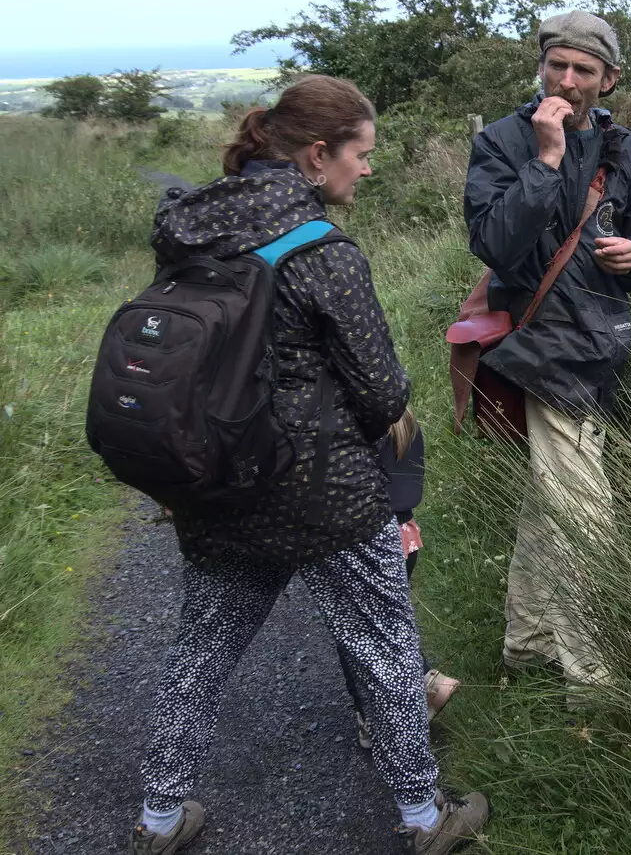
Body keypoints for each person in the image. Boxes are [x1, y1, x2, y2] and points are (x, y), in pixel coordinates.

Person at [130, 74, 487, 855]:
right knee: (388, 648)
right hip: (325, 495)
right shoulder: (319, 250)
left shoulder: (191, 227)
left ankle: (160, 819)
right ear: (318, 155)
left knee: (201, 648)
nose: (368, 169)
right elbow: (384, 389)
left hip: (217, 483)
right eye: (362, 153)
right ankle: (426, 820)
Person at [462, 11, 631, 701]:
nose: (568, 80)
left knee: (549, 504)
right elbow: (496, 246)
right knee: (586, 516)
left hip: (600, 346)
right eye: (558, 65)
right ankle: (592, 679)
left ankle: (527, 644)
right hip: (539, 348)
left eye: (584, 70)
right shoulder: (502, 142)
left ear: (609, 79)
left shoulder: (626, 149)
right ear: (542, 67)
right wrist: (545, 160)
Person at [340, 406, 460, 749]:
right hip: (406, 537)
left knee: (352, 630)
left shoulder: (350, 424)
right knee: (390, 619)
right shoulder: (402, 418)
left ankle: (374, 715)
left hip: (369, 541)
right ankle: (425, 682)